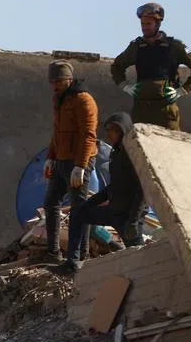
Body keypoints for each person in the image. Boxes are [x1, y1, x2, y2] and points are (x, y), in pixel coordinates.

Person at [57, 113, 144, 275]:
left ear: (123, 131)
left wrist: (134, 220)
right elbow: (113, 187)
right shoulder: (116, 153)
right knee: (78, 214)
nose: (109, 135)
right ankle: (73, 263)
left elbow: (143, 191)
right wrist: (89, 204)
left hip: (129, 218)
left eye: (113, 131)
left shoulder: (135, 155)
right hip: (114, 211)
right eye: (109, 130)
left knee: (139, 259)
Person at [111, 2, 191, 130]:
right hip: (141, 109)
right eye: (142, 24)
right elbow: (116, 66)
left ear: (158, 24)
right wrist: (125, 86)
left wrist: (182, 90)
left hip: (166, 110)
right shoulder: (137, 46)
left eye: (148, 24)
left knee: (172, 146)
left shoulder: (174, 46)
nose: (144, 27)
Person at [44, 61, 98, 261]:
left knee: (79, 209)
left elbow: (89, 135)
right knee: (51, 203)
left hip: (78, 161)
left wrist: (80, 166)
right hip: (61, 159)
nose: (54, 85)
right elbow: (57, 132)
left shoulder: (83, 100)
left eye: (58, 81)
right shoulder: (58, 99)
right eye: (52, 81)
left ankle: (81, 255)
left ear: (68, 79)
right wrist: (51, 157)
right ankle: (53, 252)